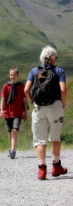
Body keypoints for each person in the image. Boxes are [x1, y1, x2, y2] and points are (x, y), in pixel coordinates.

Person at [24, 46, 68, 180]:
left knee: (40, 139)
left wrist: (32, 102)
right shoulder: (59, 71)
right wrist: (63, 104)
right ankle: (56, 166)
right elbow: (63, 90)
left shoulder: (34, 71)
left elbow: (26, 90)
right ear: (53, 58)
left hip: (38, 107)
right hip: (55, 106)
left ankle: (42, 170)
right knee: (55, 137)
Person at [0, 67, 28, 159]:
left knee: (15, 130)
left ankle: (13, 150)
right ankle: (11, 148)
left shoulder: (22, 87)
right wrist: (1, 110)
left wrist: (25, 112)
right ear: (9, 76)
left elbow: (24, 100)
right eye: (11, 75)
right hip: (7, 112)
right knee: (10, 131)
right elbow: (3, 99)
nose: (12, 77)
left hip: (18, 113)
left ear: (18, 76)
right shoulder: (6, 86)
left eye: (14, 75)